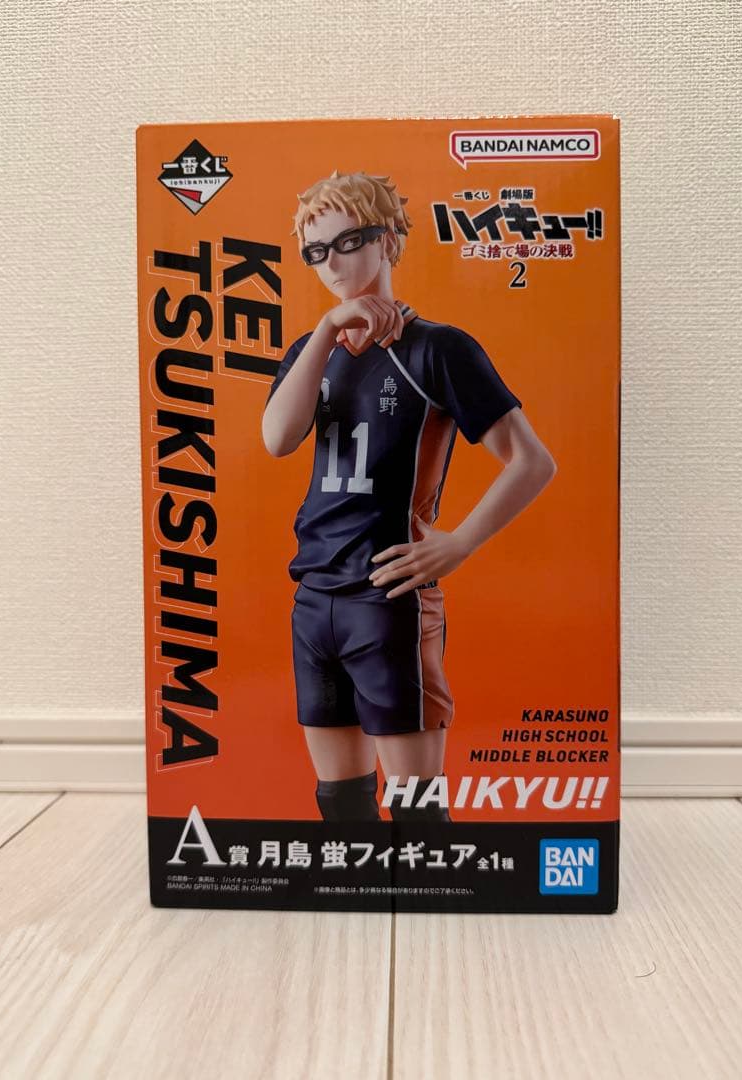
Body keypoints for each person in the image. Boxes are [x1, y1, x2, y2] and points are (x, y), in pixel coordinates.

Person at [261, 169, 556, 823]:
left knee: (416, 809)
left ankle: (429, 891)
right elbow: (278, 438)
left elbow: (532, 461)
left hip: (389, 599)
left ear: (389, 240)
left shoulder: (437, 349)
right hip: (313, 596)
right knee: (341, 806)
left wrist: (460, 543)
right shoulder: (312, 350)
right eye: (315, 251)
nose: (332, 263)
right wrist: (328, 328)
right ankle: (359, 892)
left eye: (348, 242)